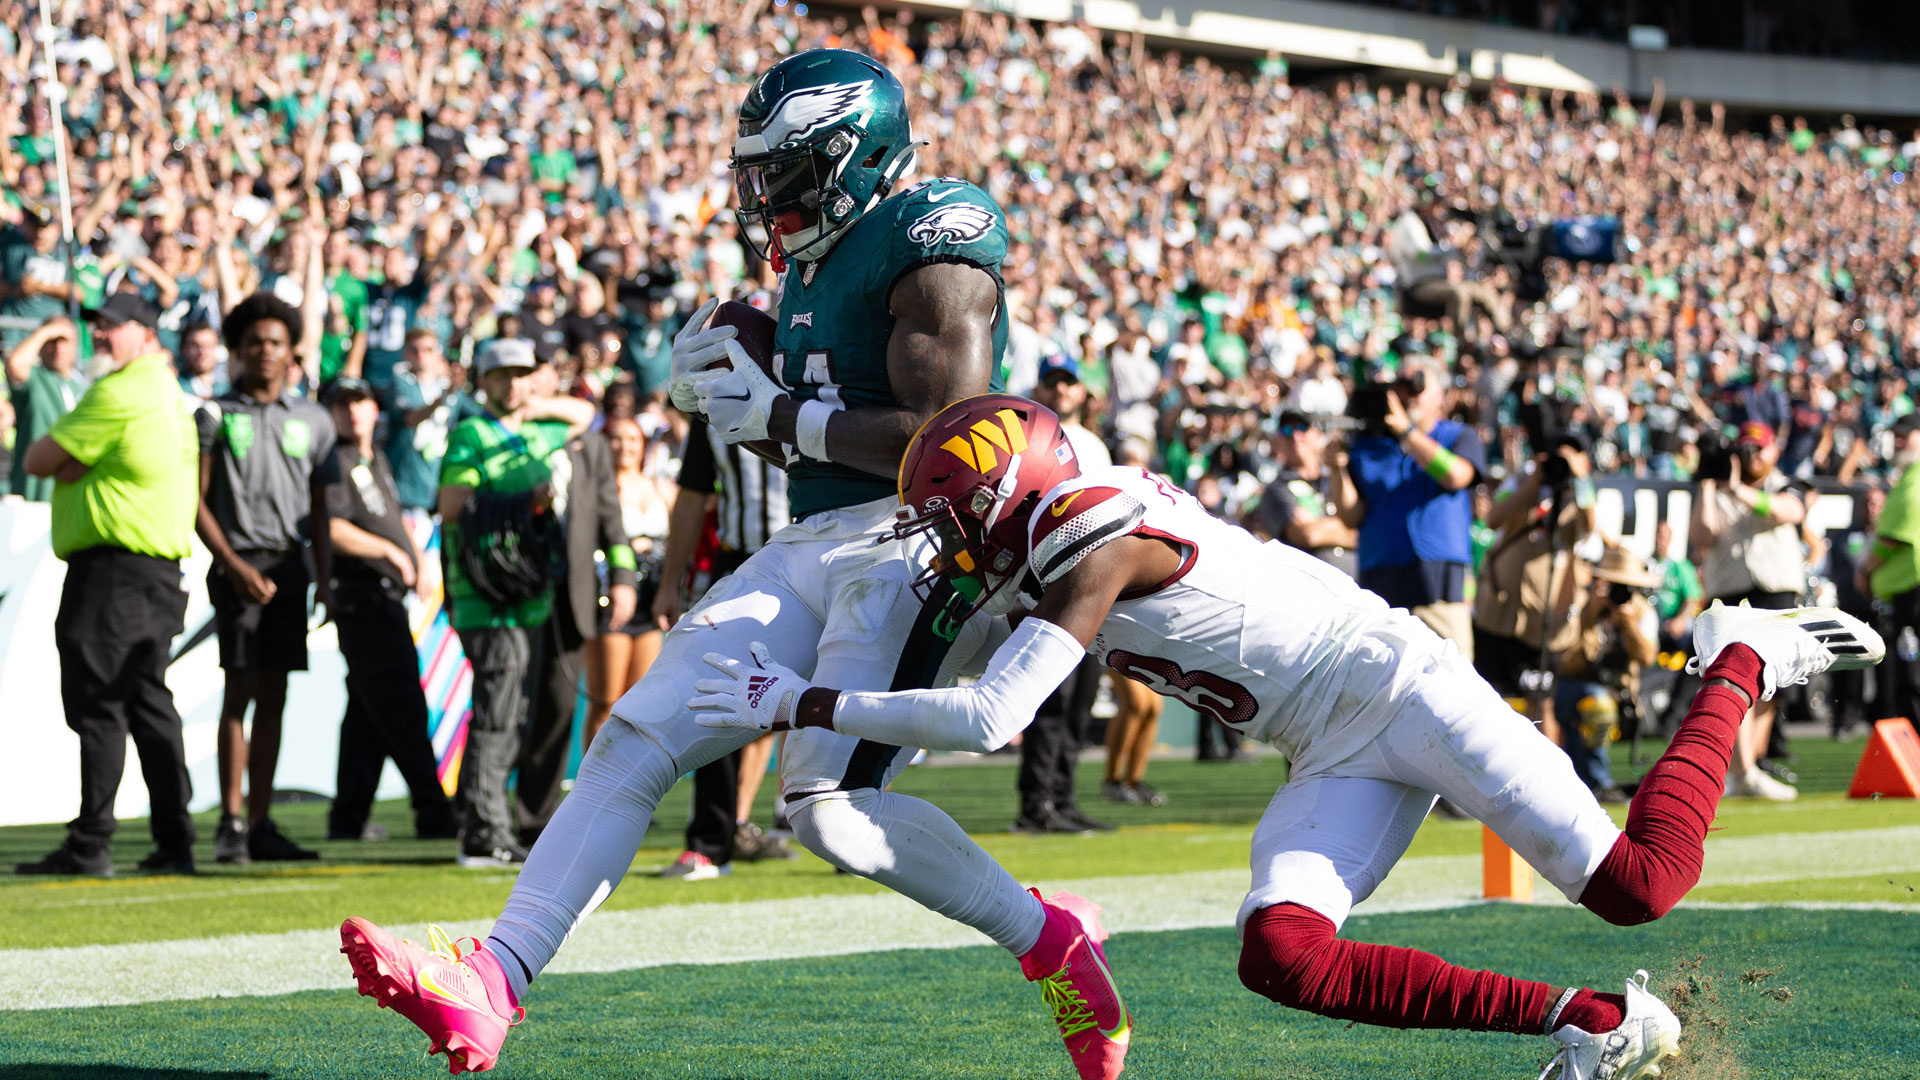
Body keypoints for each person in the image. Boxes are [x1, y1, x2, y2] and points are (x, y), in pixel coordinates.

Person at [692, 393, 1884, 1080]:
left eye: (963, 526)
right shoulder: (1061, 526)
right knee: (1285, 957)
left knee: (1641, 885)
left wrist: (800, 703)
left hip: (1402, 684)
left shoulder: (1097, 548)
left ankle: (1740, 657)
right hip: (1325, 744)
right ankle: (1590, 1025)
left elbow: (994, 718)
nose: (953, 551)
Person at [340, 52, 1129, 1080]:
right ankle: (495, 980)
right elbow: (801, 438)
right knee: (636, 734)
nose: (764, 197)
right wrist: (738, 404)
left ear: (855, 155)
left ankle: (1048, 936)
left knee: (827, 813)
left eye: (786, 172)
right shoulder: (806, 260)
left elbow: (947, 432)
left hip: (915, 547)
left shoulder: (932, 235)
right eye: (756, 172)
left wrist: (781, 410)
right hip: (808, 540)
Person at [15, 294, 199, 877]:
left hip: (113, 570)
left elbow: (39, 459)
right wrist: (77, 462)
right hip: (157, 570)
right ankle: (175, 839)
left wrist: (76, 463)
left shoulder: (118, 392)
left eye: (113, 327)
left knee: (101, 705)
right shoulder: (168, 393)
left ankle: (92, 842)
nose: (100, 337)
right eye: (97, 327)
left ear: (145, 335)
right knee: (147, 703)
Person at [436, 338, 597, 868]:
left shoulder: (534, 426)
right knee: (498, 716)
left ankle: (490, 826)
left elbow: (584, 412)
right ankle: (483, 834)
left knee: (513, 711)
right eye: (501, 375)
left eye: (521, 373)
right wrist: (524, 488)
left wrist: (532, 405)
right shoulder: (470, 432)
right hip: (488, 597)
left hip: (524, 598)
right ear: (482, 382)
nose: (512, 383)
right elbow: (453, 505)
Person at [196, 291, 339, 864]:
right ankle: (229, 823)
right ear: (237, 349)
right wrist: (233, 566)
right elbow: (195, 500)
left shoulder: (313, 418)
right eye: (253, 342)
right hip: (238, 568)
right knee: (240, 692)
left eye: (275, 342)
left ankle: (260, 822)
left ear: (291, 352)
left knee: (275, 695)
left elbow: (324, 509)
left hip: (290, 570)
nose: (264, 351)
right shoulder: (215, 414)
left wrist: (324, 579)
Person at [650, 413, 793, 879]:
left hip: (814, 554)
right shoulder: (712, 409)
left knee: (848, 680)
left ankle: (857, 834)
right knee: (719, 694)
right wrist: (670, 581)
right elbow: (692, 496)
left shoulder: (815, 385)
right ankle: (711, 843)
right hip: (743, 565)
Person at [320, 376, 459, 844]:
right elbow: (332, 527)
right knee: (400, 703)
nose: (352, 411)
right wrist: (393, 554)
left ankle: (348, 817)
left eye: (359, 401)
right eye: (342, 404)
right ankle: (433, 810)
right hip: (362, 595)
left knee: (366, 713)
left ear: (374, 407)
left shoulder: (373, 455)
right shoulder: (334, 460)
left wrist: (415, 558)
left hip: (383, 596)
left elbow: (392, 516)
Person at [514, 364, 640, 848]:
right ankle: (482, 817)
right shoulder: (511, 431)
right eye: (529, 376)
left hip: (573, 595)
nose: (537, 384)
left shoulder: (587, 443)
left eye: (543, 375)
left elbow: (611, 516)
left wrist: (624, 578)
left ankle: (534, 823)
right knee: (506, 706)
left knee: (557, 705)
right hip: (516, 590)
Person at [1016, 353, 1112, 834]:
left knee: (1080, 702)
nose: (1060, 392)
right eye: (1052, 383)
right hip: (1046, 579)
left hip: (1090, 578)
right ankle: (1037, 803)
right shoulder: (1028, 437)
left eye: (1068, 384)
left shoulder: (1093, 443)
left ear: (1080, 391)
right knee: (1052, 700)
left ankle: (1063, 796)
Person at [1336, 359, 1485, 658]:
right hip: (1382, 575)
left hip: (1438, 582)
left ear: (1440, 396)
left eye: (1418, 384)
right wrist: (1334, 469)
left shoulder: (1457, 436)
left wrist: (1407, 432)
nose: (1408, 393)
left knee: (1452, 676)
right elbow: (1351, 515)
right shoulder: (1368, 446)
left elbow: (1457, 475)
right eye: (1401, 385)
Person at [1689, 420, 1805, 801]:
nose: (1751, 457)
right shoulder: (1718, 491)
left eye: (1758, 449)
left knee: (1772, 686)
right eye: (1744, 450)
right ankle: (1742, 770)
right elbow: (1702, 538)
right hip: (1731, 594)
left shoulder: (1782, 483)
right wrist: (1708, 482)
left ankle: (1746, 769)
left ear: (1773, 451)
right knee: (1733, 681)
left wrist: (1737, 488)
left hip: (1776, 590)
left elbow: (1789, 510)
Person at [1555, 547, 1661, 801]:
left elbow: (1647, 657)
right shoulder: (1583, 606)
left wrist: (1627, 623)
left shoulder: (1641, 612)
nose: (1619, 592)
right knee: (1596, 703)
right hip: (1577, 688)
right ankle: (1598, 781)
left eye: (1626, 586)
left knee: (1601, 703)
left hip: (1621, 694)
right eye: (1614, 585)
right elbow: (1564, 660)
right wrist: (1591, 613)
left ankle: (1592, 780)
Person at [1857, 415, 1920, 735]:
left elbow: (1894, 535)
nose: (1898, 442)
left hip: (1913, 594)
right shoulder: (1907, 476)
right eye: (1895, 435)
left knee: (1911, 677)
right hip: (1903, 595)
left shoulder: (1916, 477)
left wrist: (1867, 570)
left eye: (1905, 436)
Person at [1254, 409, 1358, 576]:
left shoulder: (1337, 475)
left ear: (1317, 435)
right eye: (1286, 431)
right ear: (1278, 441)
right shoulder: (1276, 490)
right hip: (1315, 589)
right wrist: (1349, 526)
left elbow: (1368, 532)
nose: (1295, 436)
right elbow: (1307, 535)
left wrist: (1319, 524)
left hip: (1359, 584)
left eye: (1302, 428)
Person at [5, 316, 83, 503]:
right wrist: (46, 331)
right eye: (51, 341)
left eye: (65, 341)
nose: (58, 348)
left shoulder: (83, 385)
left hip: (70, 493)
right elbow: (15, 365)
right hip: (33, 492)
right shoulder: (35, 378)